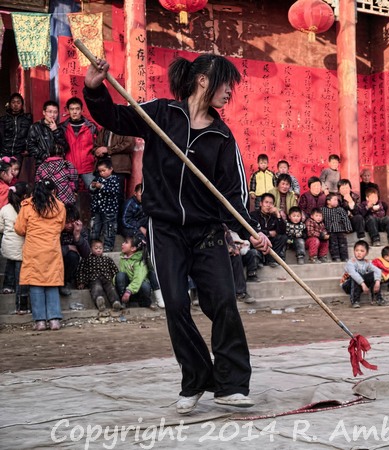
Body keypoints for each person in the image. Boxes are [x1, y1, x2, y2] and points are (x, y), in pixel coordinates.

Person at [84, 53, 270, 413]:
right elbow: (116, 117)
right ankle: (197, 378)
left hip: (207, 231)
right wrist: (94, 88)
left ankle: (231, 384)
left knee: (223, 302)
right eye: (226, 83)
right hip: (165, 227)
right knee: (177, 305)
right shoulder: (162, 114)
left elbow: (233, 195)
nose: (230, 92)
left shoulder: (221, 136)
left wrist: (252, 230)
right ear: (204, 80)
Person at [14, 179, 66, 331]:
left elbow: (19, 228)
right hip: (52, 250)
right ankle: (55, 320)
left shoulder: (28, 206)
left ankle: (40, 322)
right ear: (53, 191)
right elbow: (61, 227)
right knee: (52, 282)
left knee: (36, 283)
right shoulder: (60, 207)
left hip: (34, 250)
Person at [0, 182, 32, 312]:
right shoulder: (27, 209)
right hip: (21, 247)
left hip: (7, 246)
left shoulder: (4, 209)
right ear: (25, 195)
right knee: (21, 277)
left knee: (10, 262)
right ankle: (21, 306)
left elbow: (0, 227)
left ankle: (7, 286)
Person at [93, 128, 135, 222]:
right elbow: (96, 145)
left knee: (117, 196)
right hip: (102, 167)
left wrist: (108, 150)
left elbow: (129, 145)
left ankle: (118, 226)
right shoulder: (104, 130)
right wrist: (97, 151)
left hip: (118, 168)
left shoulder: (125, 128)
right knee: (99, 195)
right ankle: (100, 226)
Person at [61, 97, 98, 190]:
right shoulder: (62, 128)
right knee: (70, 197)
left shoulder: (91, 127)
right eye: (72, 109)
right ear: (68, 110)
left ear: (82, 110)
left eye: (77, 109)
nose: (74, 112)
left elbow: (98, 144)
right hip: (70, 167)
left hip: (88, 167)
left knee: (95, 193)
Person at [75, 239, 120, 311]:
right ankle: (99, 300)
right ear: (91, 249)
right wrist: (81, 282)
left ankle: (115, 302)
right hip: (94, 279)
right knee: (97, 288)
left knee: (111, 288)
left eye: (100, 248)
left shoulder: (107, 259)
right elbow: (81, 270)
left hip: (107, 278)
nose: (98, 250)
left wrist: (117, 280)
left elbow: (115, 270)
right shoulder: (86, 259)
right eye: (96, 248)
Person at [340, 240, 386, 307]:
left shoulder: (367, 262)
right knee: (356, 275)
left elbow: (377, 270)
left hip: (360, 285)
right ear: (354, 251)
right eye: (357, 250)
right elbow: (354, 274)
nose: (359, 253)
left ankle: (378, 299)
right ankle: (355, 301)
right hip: (348, 285)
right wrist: (363, 284)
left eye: (362, 251)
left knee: (374, 274)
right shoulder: (351, 262)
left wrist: (377, 281)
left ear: (366, 253)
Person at [115, 234, 154, 310]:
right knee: (120, 275)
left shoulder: (140, 261)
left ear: (133, 248)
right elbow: (123, 277)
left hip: (138, 289)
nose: (122, 244)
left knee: (145, 285)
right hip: (128, 292)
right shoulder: (123, 258)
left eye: (126, 243)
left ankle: (144, 303)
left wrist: (129, 291)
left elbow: (138, 279)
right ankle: (124, 302)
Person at [26, 100, 68, 170]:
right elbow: (30, 147)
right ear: (44, 112)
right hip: (42, 165)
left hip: (58, 165)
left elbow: (65, 147)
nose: (52, 115)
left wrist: (56, 131)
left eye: (55, 112)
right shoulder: (35, 127)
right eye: (50, 112)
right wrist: (45, 156)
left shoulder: (60, 128)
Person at [89, 158, 120, 251]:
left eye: (104, 170)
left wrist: (101, 186)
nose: (102, 173)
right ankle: (94, 245)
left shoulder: (115, 180)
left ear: (111, 169)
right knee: (95, 228)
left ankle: (108, 246)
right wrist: (93, 186)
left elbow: (113, 192)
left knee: (109, 229)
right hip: (98, 210)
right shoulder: (98, 179)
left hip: (109, 210)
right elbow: (91, 191)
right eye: (100, 171)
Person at [60, 204, 91, 296]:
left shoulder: (80, 230)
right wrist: (68, 247)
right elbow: (50, 250)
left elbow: (86, 254)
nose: (69, 225)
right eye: (67, 222)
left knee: (73, 256)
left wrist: (77, 236)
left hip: (69, 267)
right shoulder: (56, 228)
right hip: (55, 263)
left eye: (72, 222)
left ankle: (64, 283)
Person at [249, 192, 287, 267]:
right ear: (261, 203)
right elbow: (252, 230)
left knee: (283, 237)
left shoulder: (274, 216)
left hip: (270, 242)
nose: (268, 205)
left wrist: (278, 215)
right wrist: (268, 233)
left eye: (271, 203)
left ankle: (271, 260)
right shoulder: (253, 215)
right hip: (258, 241)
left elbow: (282, 231)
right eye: (266, 202)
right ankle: (259, 260)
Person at [0, 93, 32, 161]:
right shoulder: (3, 119)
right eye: (13, 102)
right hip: (5, 153)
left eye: (18, 102)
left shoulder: (27, 119)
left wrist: (28, 149)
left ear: (22, 105)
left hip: (20, 154)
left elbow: (31, 136)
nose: (15, 105)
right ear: (10, 104)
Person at [321, 193, 352, 262]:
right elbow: (321, 221)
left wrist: (348, 228)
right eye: (334, 200)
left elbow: (345, 219)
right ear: (328, 201)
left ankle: (344, 257)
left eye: (337, 200)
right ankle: (336, 257)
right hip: (330, 231)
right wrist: (323, 231)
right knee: (333, 244)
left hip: (340, 230)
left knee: (343, 244)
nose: (336, 202)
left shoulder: (340, 209)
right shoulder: (323, 210)